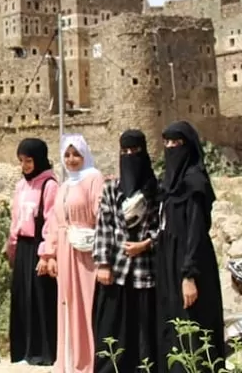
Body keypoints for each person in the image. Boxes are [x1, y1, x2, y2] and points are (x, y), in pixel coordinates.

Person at [155, 121, 225, 373]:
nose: (172, 148)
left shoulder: (194, 184)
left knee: (194, 327)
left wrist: (189, 275)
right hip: (169, 263)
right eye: (168, 143)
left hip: (190, 263)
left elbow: (195, 233)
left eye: (178, 143)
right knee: (173, 327)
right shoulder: (169, 184)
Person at [93, 130, 161, 373]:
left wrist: (146, 244)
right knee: (113, 330)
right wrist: (103, 263)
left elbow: (163, 226)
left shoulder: (156, 189)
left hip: (147, 272)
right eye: (125, 151)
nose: (130, 155)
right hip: (117, 272)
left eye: (135, 151)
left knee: (145, 332)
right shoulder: (112, 189)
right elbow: (104, 226)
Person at [40, 133, 104, 373]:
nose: (71, 159)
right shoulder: (65, 185)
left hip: (87, 252)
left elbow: (101, 214)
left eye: (76, 153)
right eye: (67, 154)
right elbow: (56, 222)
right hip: (66, 252)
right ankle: (69, 361)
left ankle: (89, 362)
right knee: (68, 304)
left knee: (87, 304)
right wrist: (50, 253)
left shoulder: (93, 178)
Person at [8, 138, 59, 365]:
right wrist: (11, 247)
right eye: (21, 161)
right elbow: (15, 219)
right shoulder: (21, 186)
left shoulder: (50, 185)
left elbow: (52, 221)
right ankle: (23, 350)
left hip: (39, 249)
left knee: (40, 299)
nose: (25, 165)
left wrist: (46, 253)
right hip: (22, 248)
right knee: (22, 299)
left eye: (28, 160)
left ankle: (43, 352)